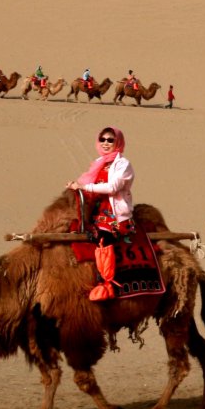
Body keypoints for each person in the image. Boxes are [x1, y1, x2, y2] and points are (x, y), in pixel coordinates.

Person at [66, 127, 134, 302]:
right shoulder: (98, 162)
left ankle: (106, 282)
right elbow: (87, 182)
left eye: (110, 140)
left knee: (103, 238)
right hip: (95, 210)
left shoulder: (123, 164)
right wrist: (75, 186)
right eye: (102, 139)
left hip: (114, 213)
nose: (105, 143)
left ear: (118, 142)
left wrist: (84, 187)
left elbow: (112, 187)